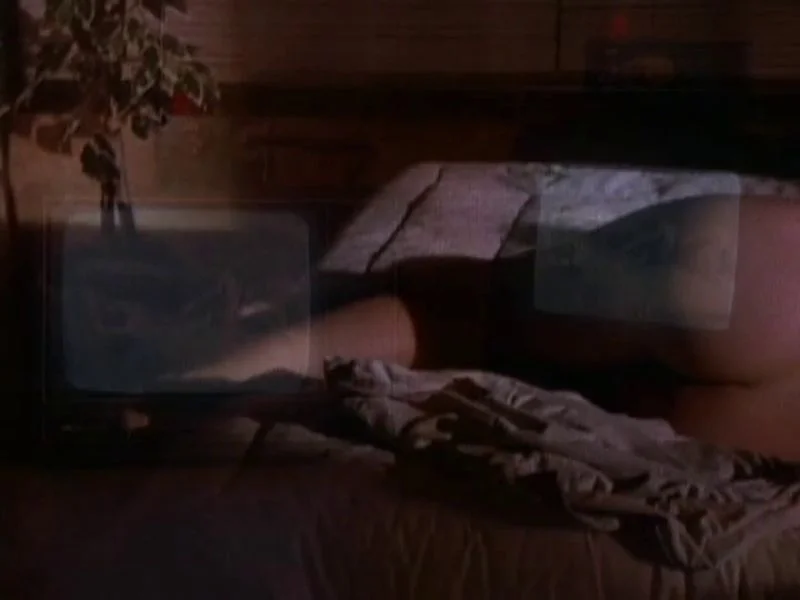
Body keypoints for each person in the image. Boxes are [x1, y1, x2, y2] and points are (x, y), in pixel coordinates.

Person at [176, 193, 800, 461]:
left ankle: (212, 372)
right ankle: (233, 358)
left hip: (760, 265)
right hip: (762, 403)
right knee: (481, 314)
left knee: (482, 310)